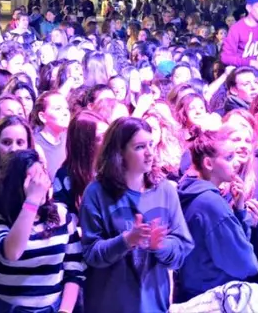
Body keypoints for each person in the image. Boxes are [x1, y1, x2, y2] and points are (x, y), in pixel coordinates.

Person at [79, 117, 194, 313]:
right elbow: (91, 253)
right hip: (109, 305)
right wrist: (126, 240)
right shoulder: (96, 192)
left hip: (153, 305)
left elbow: (182, 247)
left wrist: (160, 246)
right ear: (119, 153)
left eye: (151, 144)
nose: (149, 153)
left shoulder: (165, 190)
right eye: (140, 147)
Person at [0, 150, 85, 312]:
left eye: (42, 176)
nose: (41, 184)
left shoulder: (61, 214)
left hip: (52, 307)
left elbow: (74, 267)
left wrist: (65, 310)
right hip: (8, 307)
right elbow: (12, 253)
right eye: (33, 180)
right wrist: (32, 201)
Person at [175, 126, 258, 302]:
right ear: (208, 163)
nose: (236, 162)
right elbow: (246, 264)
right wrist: (242, 216)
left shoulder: (185, 188)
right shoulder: (212, 204)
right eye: (229, 157)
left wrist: (239, 208)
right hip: (211, 299)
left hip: (188, 295)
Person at [221, 0, 258, 69]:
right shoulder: (237, 29)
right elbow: (225, 58)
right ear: (249, 8)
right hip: (246, 74)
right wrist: (252, 63)